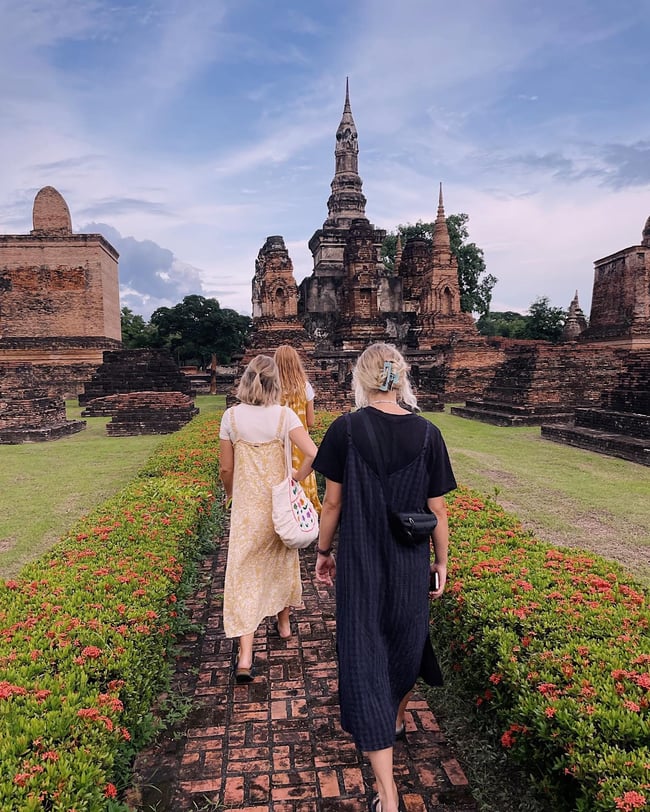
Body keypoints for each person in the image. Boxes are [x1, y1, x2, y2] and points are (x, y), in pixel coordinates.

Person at [312, 342, 457, 812]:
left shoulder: (345, 430)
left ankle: (389, 795)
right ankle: (391, 733)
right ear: (401, 376)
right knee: (405, 642)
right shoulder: (429, 433)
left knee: (366, 655)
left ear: (362, 377)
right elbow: (437, 510)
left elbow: (332, 503)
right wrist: (441, 562)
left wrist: (322, 550)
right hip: (409, 562)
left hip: (360, 562)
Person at [219, 354, 318, 682]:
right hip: (278, 505)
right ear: (275, 383)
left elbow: (226, 468)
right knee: (281, 561)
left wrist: (231, 492)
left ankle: (246, 656)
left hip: (247, 509)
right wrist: (295, 478)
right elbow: (314, 454)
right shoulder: (284, 416)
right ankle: (284, 623)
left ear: (246, 380)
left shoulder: (231, 418)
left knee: (244, 573)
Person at [274, 344, 322, 514]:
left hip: (277, 443)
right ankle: (304, 513)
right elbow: (310, 421)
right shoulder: (305, 387)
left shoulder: (272, 389)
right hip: (301, 444)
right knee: (302, 476)